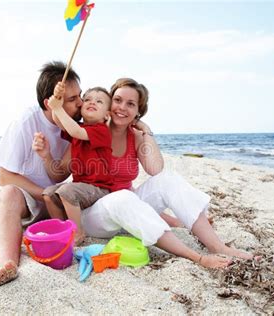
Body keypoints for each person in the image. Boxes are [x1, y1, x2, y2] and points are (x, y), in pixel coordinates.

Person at [54, 78, 255, 268]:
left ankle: (216, 245)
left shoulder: (136, 137)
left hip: (129, 212)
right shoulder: (86, 132)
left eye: (131, 104)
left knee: (166, 179)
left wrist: (147, 132)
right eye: (117, 100)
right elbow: (59, 172)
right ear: (108, 104)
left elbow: (155, 170)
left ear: (137, 112)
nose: (122, 107)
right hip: (95, 216)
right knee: (122, 197)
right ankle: (196, 257)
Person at [0, 61, 83, 288]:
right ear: (50, 103)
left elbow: (60, 176)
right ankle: (8, 263)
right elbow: (4, 177)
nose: (80, 103)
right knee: (9, 193)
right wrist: (44, 194)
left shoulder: (76, 127)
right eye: (72, 99)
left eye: (80, 95)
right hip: (24, 196)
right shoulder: (25, 122)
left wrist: (48, 158)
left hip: (50, 199)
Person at [33, 83, 113, 245]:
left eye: (99, 102)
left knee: (66, 191)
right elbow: (60, 121)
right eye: (88, 99)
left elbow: (74, 131)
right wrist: (58, 100)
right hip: (81, 187)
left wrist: (58, 108)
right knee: (48, 194)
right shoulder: (78, 127)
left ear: (107, 115)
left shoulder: (102, 130)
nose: (92, 102)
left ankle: (77, 233)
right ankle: (62, 230)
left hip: (100, 188)